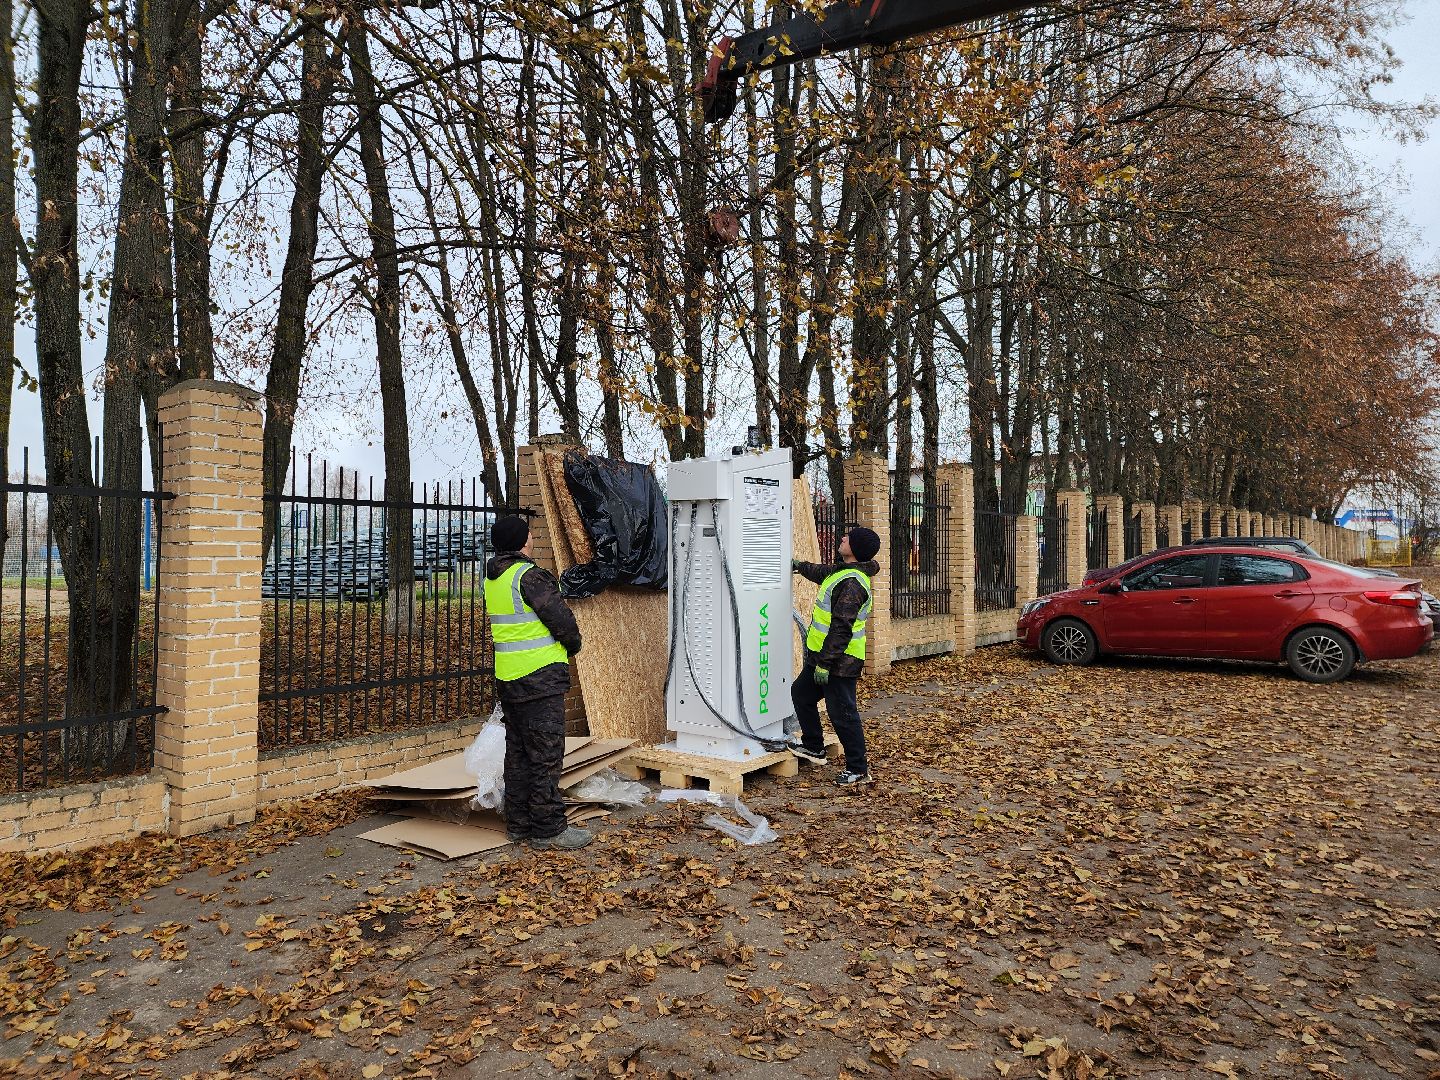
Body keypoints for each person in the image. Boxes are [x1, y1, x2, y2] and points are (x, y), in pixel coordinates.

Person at [484, 516, 590, 849]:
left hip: (509, 678)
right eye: (528, 534)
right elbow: (562, 622)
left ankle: (519, 824)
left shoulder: (493, 578)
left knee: (517, 754)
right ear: (520, 541)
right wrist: (573, 645)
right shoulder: (530, 577)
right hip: (540, 678)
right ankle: (549, 829)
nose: (532, 537)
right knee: (545, 754)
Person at [789, 526, 881, 786]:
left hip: (840, 661)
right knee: (802, 694)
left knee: (842, 713)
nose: (842, 538)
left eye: (847, 538)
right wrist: (797, 565)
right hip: (825, 657)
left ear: (855, 549)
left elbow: (842, 628)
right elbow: (821, 573)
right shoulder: (843, 572)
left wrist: (825, 665)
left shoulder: (853, 584)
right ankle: (814, 746)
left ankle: (858, 768)